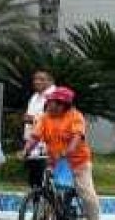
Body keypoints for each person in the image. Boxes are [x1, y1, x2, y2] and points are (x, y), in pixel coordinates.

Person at [22, 87, 100, 220]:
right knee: (48, 188)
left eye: (51, 102)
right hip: (55, 162)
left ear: (61, 104)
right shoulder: (44, 118)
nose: (47, 104)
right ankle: (48, 212)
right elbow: (35, 137)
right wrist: (26, 151)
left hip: (77, 163)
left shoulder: (75, 116)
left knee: (87, 195)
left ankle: (94, 217)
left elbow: (77, 137)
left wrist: (67, 152)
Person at [22, 69, 56, 189]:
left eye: (41, 79)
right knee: (34, 180)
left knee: (44, 181)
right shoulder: (35, 96)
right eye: (35, 79)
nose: (37, 82)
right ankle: (37, 200)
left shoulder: (54, 96)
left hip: (46, 146)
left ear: (50, 81)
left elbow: (53, 118)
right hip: (33, 144)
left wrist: (33, 119)